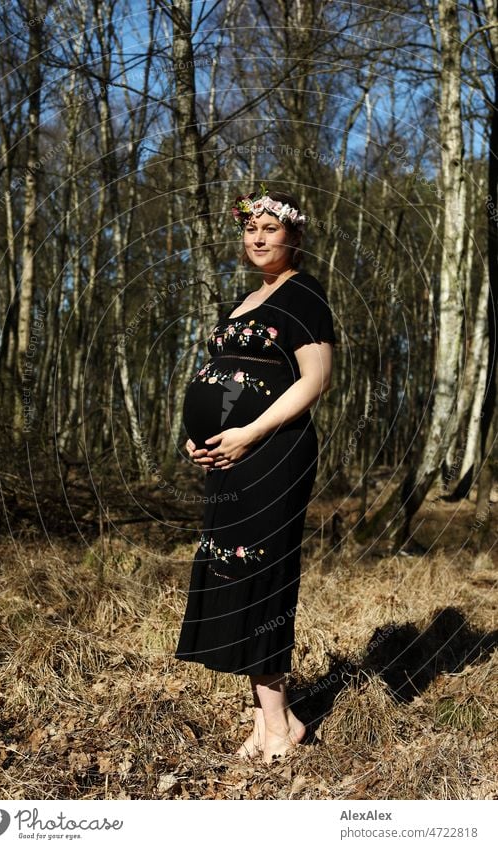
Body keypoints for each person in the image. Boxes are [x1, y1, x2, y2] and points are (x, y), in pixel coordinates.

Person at [175, 186, 336, 764]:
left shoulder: (304, 296)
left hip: (274, 454)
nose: (259, 238)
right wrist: (202, 436)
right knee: (231, 571)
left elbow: (313, 381)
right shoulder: (243, 301)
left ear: (294, 236)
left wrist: (249, 433)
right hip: (229, 457)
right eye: (250, 230)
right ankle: (278, 719)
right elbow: (219, 377)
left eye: (270, 229)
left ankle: (276, 728)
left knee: (262, 575)